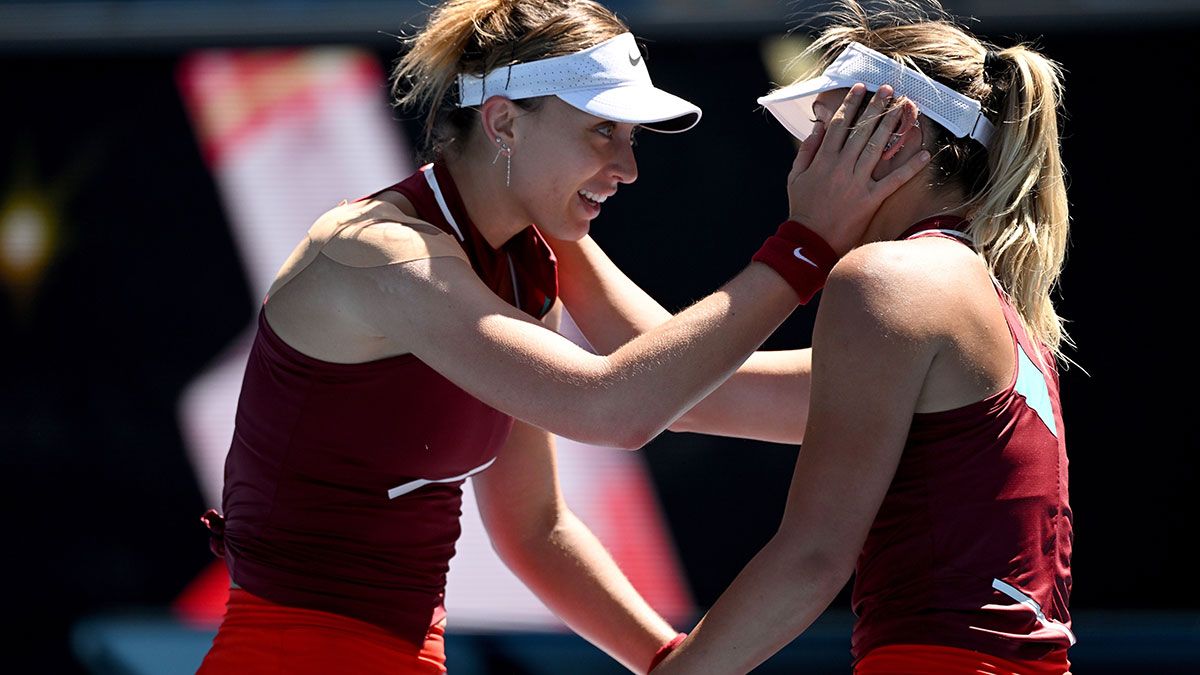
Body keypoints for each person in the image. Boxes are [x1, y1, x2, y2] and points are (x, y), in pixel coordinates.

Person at [195, 0, 928, 673]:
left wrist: (665, 659)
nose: (628, 168)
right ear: (505, 122)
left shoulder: (524, 258)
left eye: (631, 137)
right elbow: (613, 408)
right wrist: (805, 245)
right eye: (602, 130)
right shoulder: (381, 254)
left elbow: (537, 524)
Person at [552, 2, 1076, 673]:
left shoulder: (890, 278)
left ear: (895, 131)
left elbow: (811, 557)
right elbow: (691, 396)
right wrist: (552, 225)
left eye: (824, 129)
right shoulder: (981, 300)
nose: (802, 156)